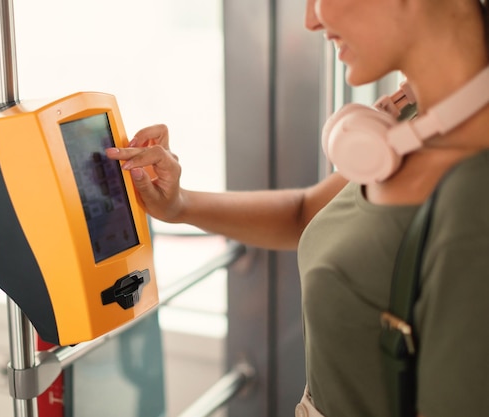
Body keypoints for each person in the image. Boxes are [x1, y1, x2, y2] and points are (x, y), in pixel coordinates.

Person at [106, 0, 489, 416]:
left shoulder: (474, 198)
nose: (310, 20)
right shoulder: (415, 124)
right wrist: (179, 204)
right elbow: (306, 214)